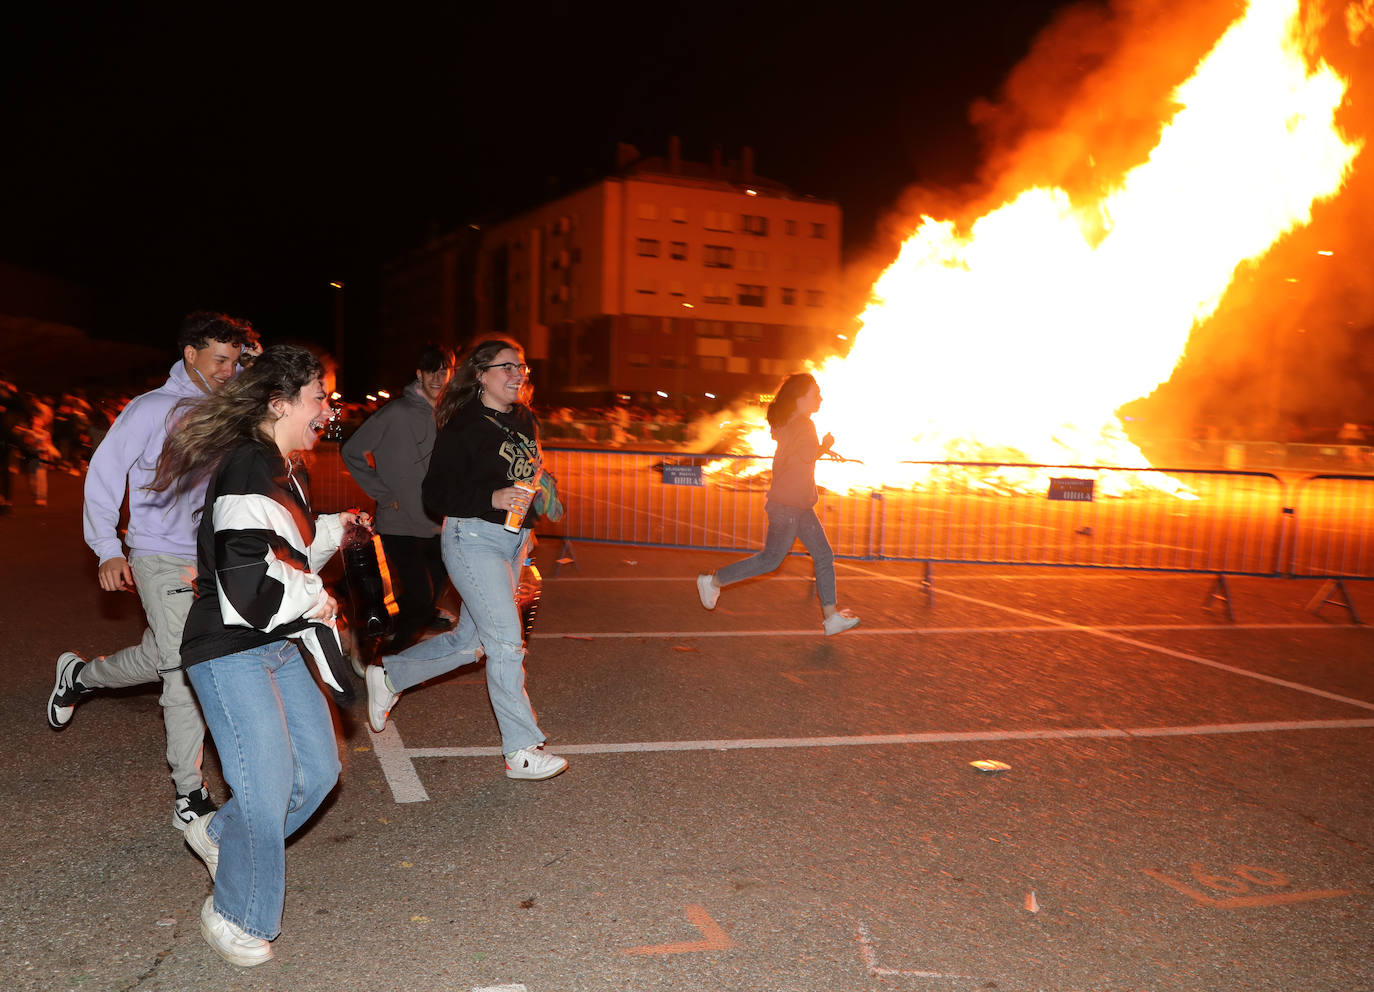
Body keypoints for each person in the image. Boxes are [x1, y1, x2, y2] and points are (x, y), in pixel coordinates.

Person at [150, 343, 365, 967]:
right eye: (319, 397)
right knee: (265, 788)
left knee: (319, 774)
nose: (327, 409)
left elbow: (281, 552)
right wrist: (318, 600)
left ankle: (218, 832)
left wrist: (333, 529)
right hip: (229, 646)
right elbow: (247, 580)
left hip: (274, 639)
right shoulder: (250, 464)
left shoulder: (282, 467)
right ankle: (235, 913)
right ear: (280, 403)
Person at [49, 311, 257, 830]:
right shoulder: (152, 409)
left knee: (159, 653)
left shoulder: (227, 411)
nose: (229, 370)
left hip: (207, 556)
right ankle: (190, 791)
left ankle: (80, 675)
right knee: (183, 665)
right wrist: (106, 547)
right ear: (190, 355)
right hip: (155, 552)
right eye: (220, 360)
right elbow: (103, 472)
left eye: (236, 360)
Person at [364, 336, 567, 781]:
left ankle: (391, 675)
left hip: (513, 541)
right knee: (506, 644)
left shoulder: (525, 419)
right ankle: (521, 750)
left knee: (471, 642)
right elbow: (435, 493)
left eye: (521, 368)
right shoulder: (464, 424)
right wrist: (492, 496)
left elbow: (526, 473)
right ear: (481, 375)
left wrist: (539, 503)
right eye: (506, 368)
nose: (517, 375)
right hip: (473, 539)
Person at [696, 372, 860, 635]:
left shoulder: (788, 421)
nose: (820, 398)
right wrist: (825, 444)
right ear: (800, 397)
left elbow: (799, 452)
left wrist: (821, 448)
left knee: (823, 555)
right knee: (770, 560)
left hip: (797, 504)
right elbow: (806, 454)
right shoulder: (804, 423)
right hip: (790, 505)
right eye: (815, 393)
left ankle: (831, 617)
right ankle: (712, 581)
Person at [340, 343, 455, 654]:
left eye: (444, 370)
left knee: (427, 600)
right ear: (419, 373)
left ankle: (373, 630)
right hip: (399, 521)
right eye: (431, 370)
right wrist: (383, 493)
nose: (438, 377)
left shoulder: (448, 413)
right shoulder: (396, 413)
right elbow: (351, 451)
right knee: (420, 597)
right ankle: (387, 658)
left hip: (436, 523)